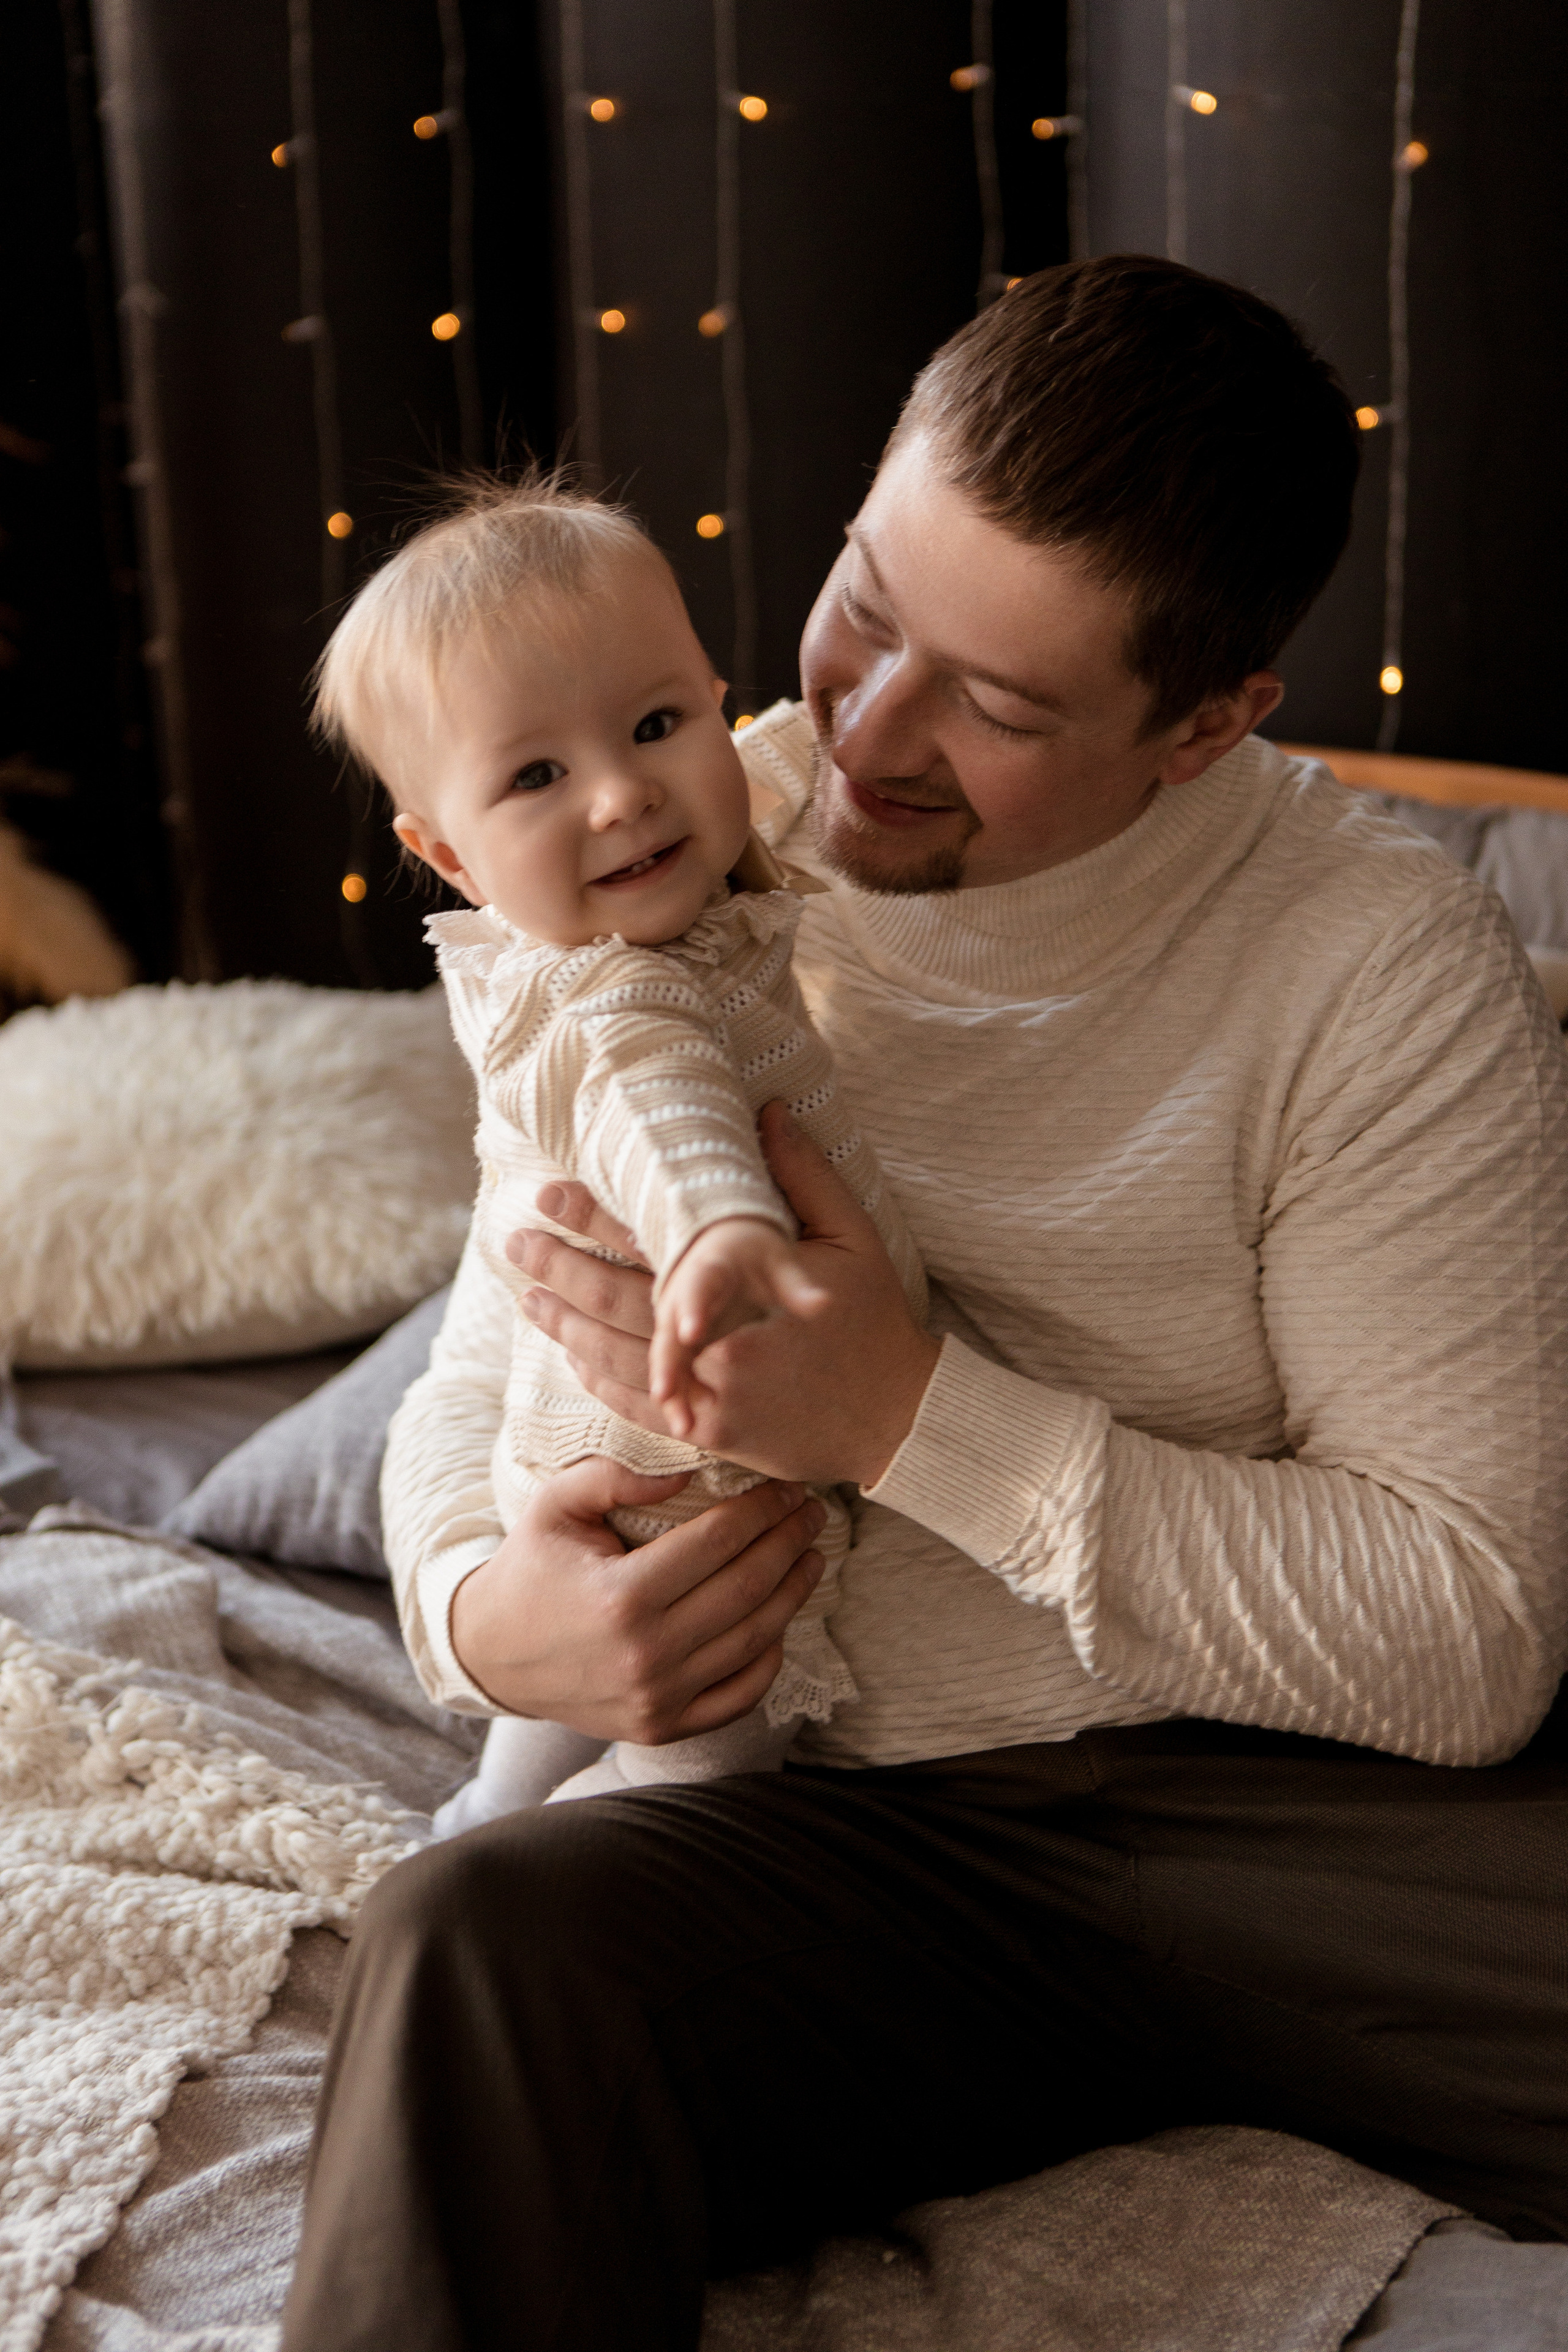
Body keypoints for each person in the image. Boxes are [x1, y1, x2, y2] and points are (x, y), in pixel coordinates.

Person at [282, 257, 1568, 2352]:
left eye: (1002, 699)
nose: (863, 734)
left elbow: (1474, 1634)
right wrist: (480, 1612)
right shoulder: (677, 823)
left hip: (1300, 1810)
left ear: (1209, 721)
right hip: (851, 1843)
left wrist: (903, 1421)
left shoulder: (1376, 973)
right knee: (470, 1952)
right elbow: (495, 1330)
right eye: (869, 604)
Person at [311, 480, 924, 1829]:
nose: (622, 797)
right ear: (446, 854)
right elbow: (667, 1115)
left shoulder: (697, 874)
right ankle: (533, 1851)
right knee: (709, 1759)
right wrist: (721, 1233)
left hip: (581, 1459)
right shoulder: (614, 991)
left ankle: (485, 1817)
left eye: (656, 723)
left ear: (714, 700)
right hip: (674, 1485)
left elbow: (769, 765)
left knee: (529, 1756)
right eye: (536, 776)